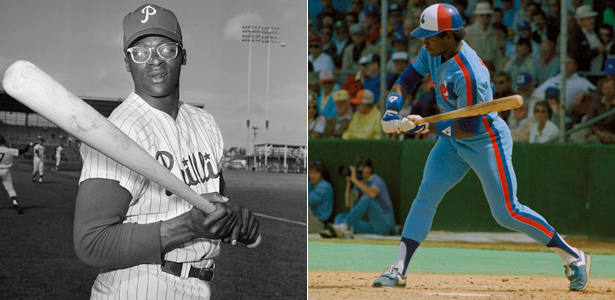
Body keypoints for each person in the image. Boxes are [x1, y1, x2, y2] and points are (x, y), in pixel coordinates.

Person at [378, 3, 590, 291]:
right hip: (451, 141)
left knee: (506, 212)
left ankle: (573, 256)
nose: (423, 41)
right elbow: (407, 80)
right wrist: (393, 111)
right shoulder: (433, 51)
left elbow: (468, 128)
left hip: (485, 140)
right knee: (425, 197)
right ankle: (399, 268)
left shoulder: (469, 73)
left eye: (430, 36)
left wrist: (423, 125)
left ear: (449, 36)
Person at [72, 5, 259, 299]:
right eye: (141, 52)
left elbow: (213, 203)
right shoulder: (117, 132)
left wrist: (233, 220)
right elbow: (91, 242)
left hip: (198, 284)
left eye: (166, 49)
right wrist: (188, 226)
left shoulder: (204, 123)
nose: (154, 61)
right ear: (127, 62)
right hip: (136, 285)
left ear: (183, 55)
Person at [328, 155, 395, 237]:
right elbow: (349, 203)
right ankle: (338, 231)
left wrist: (355, 180)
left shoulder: (376, 179)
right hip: (371, 226)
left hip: (385, 223)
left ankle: (344, 227)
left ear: (370, 169)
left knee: (367, 198)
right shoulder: (359, 183)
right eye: (359, 167)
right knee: (340, 216)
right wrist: (349, 182)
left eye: (364, 167)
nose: (361, 170)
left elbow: (372, 194)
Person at [570, 77, 615, 144]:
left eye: (610, 88)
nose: (608, 91)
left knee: (592, 140)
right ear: (602, 90)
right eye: (605, 88)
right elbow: (589, 121)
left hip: (611, 134)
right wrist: (599, 133)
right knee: (577, 129)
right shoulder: (597, 101)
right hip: (596, 131)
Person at [0, 136, 32, 214]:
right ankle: (15, 204)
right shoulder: (10, 150)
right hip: (6, 171)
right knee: (10, 190)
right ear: (4, 142)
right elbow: (22, 151)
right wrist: (28, 145)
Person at [568, 5, 605, 72]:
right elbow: (578, 55)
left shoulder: (596, 33)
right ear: (581, 21)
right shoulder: (576, 36)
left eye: (593, 18)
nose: (592, 21)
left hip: (599, 73)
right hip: (585, 73)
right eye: (589, 19)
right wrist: (596, 51)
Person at [308, 161, 334, 234]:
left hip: (318, 223)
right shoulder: (310, 185)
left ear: (321, 174)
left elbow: (308, 201)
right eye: (310, 172)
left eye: (316, 173)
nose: (312, 175)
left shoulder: (324, 186)